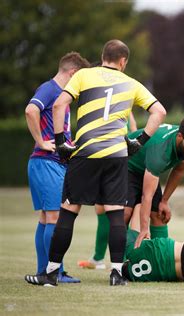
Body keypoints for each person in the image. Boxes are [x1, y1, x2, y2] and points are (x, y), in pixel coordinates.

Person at [24, 39, 167, 287]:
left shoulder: (84, 76)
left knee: (68, 212)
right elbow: (159, 111)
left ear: (103, 56)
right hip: (116, 155)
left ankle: (50, 274)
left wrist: (60, 142)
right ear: (123, 62)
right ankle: (116, 274)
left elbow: (59, 104)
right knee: (114, 214)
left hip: (85, 153)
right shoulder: (131, 83)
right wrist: (139, 141)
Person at [78, 116, 184, 268]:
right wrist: (144, 229)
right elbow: (146, 195)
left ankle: (162, 262)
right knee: (124, 214)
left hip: (148, 169)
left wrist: (164, 201)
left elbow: (179, 171)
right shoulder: (160, 150)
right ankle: (119, 266)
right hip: (126, 165)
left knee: (159, 216)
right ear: (180, 136)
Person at [24, 52, 90, 284]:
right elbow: (30, 110)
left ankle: (48, 270)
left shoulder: (61, 97)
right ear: (72, 73)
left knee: (46, 218)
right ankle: (53, 273)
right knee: (54, 217)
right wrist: (42, 141)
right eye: (79, 78)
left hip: (52, 164)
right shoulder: (50, 89)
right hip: (45, 162)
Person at [77, 111, 138, 270]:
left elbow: (133, 130)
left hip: (120, 158)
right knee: (101, 208)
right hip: (105, 157)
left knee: (121, 210)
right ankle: (98, 258)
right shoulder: (104, 105)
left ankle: (122, 259)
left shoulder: (120, 104)